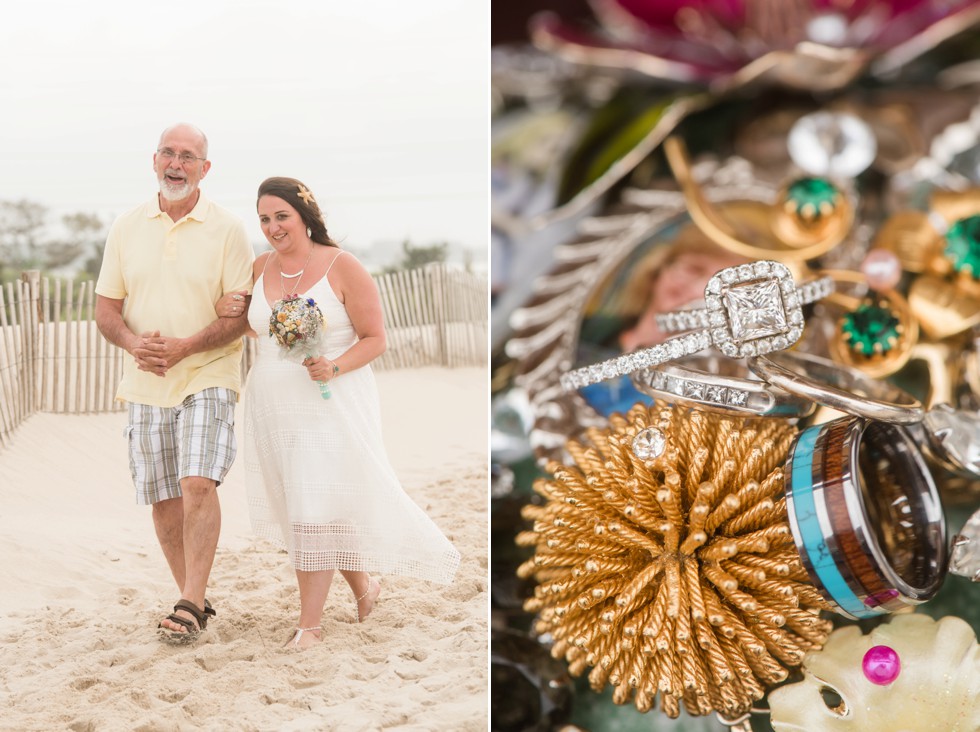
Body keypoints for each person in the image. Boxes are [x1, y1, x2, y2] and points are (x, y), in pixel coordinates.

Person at [216, 177, 460, 649]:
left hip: (328, 404)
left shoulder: (343, 267)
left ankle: (309, 626)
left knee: (313, 509)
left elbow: (375, 338)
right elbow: (256, 330)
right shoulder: (259, 266)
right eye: (264, 219)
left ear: (306, 215)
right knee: (313, 509)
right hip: (273, 404)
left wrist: (333, 365)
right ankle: (364, 587)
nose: (272, 227)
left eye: (281, 216)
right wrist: (229, 309)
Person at [94, 123, 254, 642]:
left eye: (189, 156)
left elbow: (239, 316)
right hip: (144, 379)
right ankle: (196, 596)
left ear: (205, 169)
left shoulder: (228, 229)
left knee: (197, 482)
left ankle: (187, 601)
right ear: (154, 160)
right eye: (169, 152)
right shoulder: (125, 226)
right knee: (164, 496)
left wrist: (187, 346)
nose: (177, 163)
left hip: (209, 370)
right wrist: (132, 343)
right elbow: (106, 310)